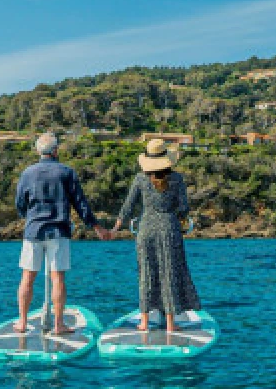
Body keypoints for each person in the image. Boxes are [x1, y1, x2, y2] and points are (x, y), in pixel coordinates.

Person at [14, 132, 109, 334]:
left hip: (33, 231)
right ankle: (59, 324)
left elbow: (20, 203)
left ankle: (22, 322)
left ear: (38, 151)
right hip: (58, 231)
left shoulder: (27, 173)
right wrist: (96, 226)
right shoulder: (66, 172)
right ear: (56, 150)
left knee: (27, 278)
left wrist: (28, 216)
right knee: (58, 279)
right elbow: (80, 203)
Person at [112, 138, 202, 333]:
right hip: (169, 228)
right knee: (169, 273)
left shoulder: (140, 179)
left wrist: (115, 228)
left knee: (147, 273)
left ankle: (144, 322)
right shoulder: (176, 179)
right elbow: (183, 209)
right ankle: (171, 324)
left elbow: (128, 206)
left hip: (146, 230)